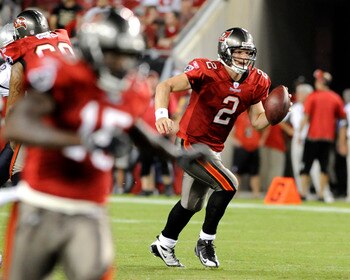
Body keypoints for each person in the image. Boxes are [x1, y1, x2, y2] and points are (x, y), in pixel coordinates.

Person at [2, 7, 208, 279]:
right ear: (93, 48)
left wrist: (175, 155)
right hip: (41, 204)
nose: (121, 63)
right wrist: (81, 139)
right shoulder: (62, 74)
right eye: (114, 54)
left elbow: (133, 128)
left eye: (127, 55)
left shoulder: (130, 88)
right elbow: (18, 123)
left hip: (89, 209)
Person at [150, 27, 291, 268]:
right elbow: (165, 86)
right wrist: (162, 115)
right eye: (238, 53)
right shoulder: (206, 70)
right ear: (225, 52)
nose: (244, 58)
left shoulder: (257, 81)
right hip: (190, 143)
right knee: (229, 185)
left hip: (213, 148)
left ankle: (165, 242)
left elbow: (257, 121)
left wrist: (277, 115)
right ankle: (205, 242)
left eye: (247, 54)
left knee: (191, 204)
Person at [0, 9, 75, 186]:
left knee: (19, 167)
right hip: (74, 117)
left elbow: (13, 109)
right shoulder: (63, 41)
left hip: (42, 118)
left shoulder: (23, 52)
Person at [299, 69, 347, 202]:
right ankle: (321, 194)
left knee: (305, 166)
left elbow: (306, 117)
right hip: (328, 139)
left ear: (321, 82)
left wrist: (299, 134)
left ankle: (303, 193)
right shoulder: (336, 98)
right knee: (324, 168)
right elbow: (343, 121)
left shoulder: (313, 96)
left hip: (312, 138)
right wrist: (341, 140)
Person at [231, 110, 262, 198]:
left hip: (254, 147)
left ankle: (256, 194)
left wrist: (261, 140)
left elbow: (266, 127)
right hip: (241, 147)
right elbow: (228, 127)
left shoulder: (257, 113)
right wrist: (234, 139)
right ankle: (234, 194)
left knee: (255, 172)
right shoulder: (239, 114)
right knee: (237, 172)